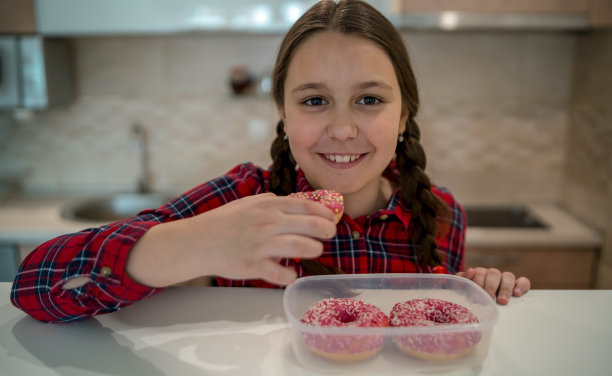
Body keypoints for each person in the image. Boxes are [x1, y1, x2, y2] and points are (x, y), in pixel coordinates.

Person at [11, 0, 530, 323]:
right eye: (313, 100)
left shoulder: (440, 215)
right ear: (282, 111)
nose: (343, 128)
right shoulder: (245, 199)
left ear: (404, 114)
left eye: (370, 100)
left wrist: (473, 295)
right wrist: (195, 245)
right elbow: (34, 286)